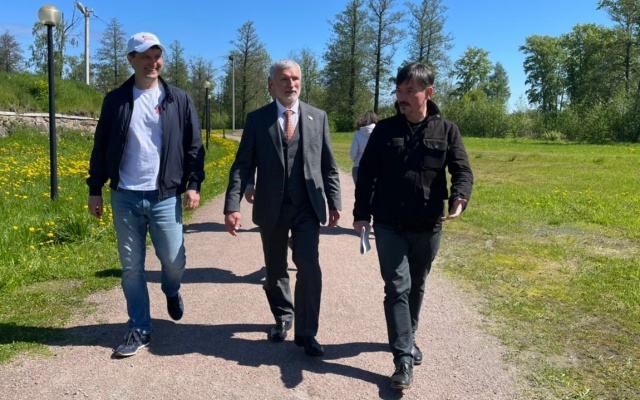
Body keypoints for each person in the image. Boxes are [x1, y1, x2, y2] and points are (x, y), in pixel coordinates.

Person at [353, 62, 473, 389]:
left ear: (428, 92)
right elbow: (366, 174)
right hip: (388, 222)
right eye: (399, 91)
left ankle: (409, 334)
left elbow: (462, 170)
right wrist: (361, 213)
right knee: (396, 286)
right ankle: (403, 358)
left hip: (428, 223)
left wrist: (460, 197)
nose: (401, 97)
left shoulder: (447, 130)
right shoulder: (384, 130)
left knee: (417, 284)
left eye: (409, 91)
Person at [86, 32, 205, 357]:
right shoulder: (115, 100)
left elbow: (193, 145)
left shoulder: (178, 99)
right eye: (145, 57)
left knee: (173, 261)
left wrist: (194, 184)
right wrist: (95, 189)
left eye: (157, 56)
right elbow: (101, 146)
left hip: (164, 195)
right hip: (124, 195)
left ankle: (171, 288)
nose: (153, 63)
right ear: (132, 60)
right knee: (131, 267)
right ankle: (139, 327)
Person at [223, 59, 341, 357]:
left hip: (307, 207)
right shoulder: (257, 119)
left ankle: (307, 332)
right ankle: (283, 316)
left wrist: (334, 202)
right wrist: (232, 205)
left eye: (295, 79)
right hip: (271, 207)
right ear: (271, 84)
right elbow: (242, 165)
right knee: (276, 270)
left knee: (309, 268)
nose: (291, 84)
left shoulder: (318, 117)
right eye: (285, 79)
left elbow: (328, 165)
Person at [349, 111, 378, 183]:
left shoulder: (357, 134)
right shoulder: (379, 132)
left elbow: (353, 154)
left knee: (360, 190)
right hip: (375, 167)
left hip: (358, 166)